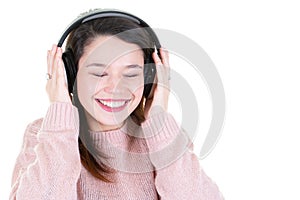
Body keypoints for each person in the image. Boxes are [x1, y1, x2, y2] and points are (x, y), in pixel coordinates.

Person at [9, 9, 223, 200]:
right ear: (70, 75)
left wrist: (159, 121)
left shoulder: (163, 138)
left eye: (131, 74)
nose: (116, 88)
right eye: (99, 73)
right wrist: (60, 114)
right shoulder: (44, 136)